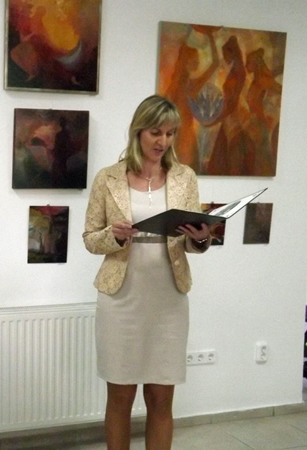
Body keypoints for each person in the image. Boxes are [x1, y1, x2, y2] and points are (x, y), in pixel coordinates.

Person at [83, 95, 211, 449]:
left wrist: (200, 238)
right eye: (156, 132)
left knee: (161, 399)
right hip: (121, 300)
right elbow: (90, 239)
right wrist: (114, 235)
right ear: (138, 131)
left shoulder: (184, 177)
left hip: (168, 299)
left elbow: (192, 241)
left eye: (170, 133)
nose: (163, 141)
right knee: (120, 398)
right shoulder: (108, 178)